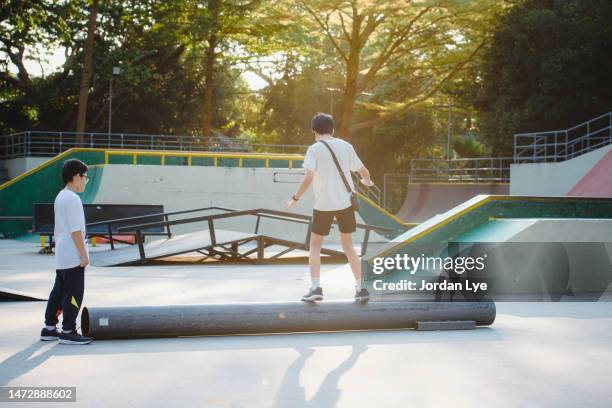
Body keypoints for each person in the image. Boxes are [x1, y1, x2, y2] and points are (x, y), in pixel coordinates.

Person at [284, 112, 375, 302]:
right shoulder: (346, 146)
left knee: (315, 246)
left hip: (323, 205)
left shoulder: (314, 149)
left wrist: (294, 198)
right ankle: (361, 289)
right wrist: (367, 181)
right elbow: (363, 171)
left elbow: (308, 178)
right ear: (332, 129)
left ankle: (316, 288)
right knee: (349, 246)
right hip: (345, 204)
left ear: (314, 131)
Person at [40, 159, 94, 345]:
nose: (86, 181)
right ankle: (69, 330)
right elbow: (75, 230)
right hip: (73, 255)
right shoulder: (73, 199)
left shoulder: (61, 196)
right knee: (73, 293)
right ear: (76, 176)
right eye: (85, 177)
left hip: (62, 254)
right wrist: (83, 255)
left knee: (58, 292)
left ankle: (49, 328)